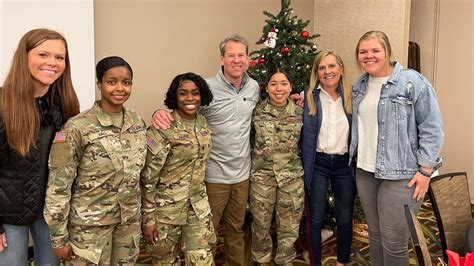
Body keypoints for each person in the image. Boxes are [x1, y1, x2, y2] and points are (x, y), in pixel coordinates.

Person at [152, 34, 259, 265]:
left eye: (241, 55)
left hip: (242, 176)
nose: (237, 60)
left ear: (248, 59)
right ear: (222, 59)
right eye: (231, 55)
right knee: (206, 236)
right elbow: (183, 110)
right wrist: (159, 113)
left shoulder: (254, 87)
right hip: (213, 177)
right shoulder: (206, 88)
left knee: (236, 231)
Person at [349, 30, 444, 265]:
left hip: (402, 176)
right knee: (376, 235)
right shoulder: (360, 84)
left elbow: (432, 128)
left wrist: (425, 171)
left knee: (394, 242)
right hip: (365, 171)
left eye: (375, 51)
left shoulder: (412, 82)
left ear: (387, 52)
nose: (368, 56)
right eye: (363, 52)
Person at [44, 56, 147, 265]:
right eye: (112, 82)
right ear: (99, 84)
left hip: (127, 226)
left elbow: (143, 175)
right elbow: (58, 186)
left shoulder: (136, 122)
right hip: (89, 230)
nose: (120, 88)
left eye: (126, 82)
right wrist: (58, 238)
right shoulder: (76, 128)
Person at [0, 28, 80, 266]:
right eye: (43, 55)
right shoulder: (4, 104)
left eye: (59, 57)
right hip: (8, 214)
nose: (52, 63)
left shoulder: (64, 105)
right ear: (24, 57)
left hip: (51, 212)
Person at [141, 72, 216, 265]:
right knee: (166, 261)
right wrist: (148, 218)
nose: (190, 98)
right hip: (166, 211)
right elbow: (148, 176)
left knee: (201, 260)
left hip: (197, 207)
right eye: (183, 93)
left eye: (195, 93)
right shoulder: (164, 127)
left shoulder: (203, 124)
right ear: (175, 96)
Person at [302, 50, 355, 266]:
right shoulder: (308, 97)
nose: (327, 71)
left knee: (344, 218)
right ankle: (316, 262)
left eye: (332, 66)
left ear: (341, 69)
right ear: (317, 72)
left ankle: (342, 261)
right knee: (315, 219)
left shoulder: (353, 96)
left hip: (344, 165)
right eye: (322, 68)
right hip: (319, 164)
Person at [250, 68, 304, 265]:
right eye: (274, 83)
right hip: (261, 180)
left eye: (284, 83)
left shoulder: (301, 113)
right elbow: (248, 141)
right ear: (267, 88)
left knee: (289, 229)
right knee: (260, 227)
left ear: (290, 88)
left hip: (291, 180)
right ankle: (261, 261)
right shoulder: (256, 112)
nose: (279, 88)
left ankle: (285, 261)